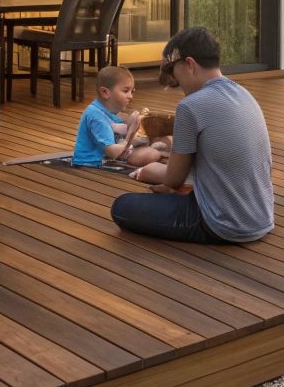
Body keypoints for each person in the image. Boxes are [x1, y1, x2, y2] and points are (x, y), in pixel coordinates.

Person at [110, 27, 274, 244]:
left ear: (189, 64)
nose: (177, 84)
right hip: (260, 217)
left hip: (221, 224)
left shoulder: (191, 106)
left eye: (175, 74)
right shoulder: (243, 94)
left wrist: (152, 172)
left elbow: (173, 178)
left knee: (122, 207)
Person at [71, 65, 167, 169]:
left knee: (166, 140)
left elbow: (117, 129)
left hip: (112, 153)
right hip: (92, 163)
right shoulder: (97, 117)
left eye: (132, 91)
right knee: (151, 154)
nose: (130, 96)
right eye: (125, 91)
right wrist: (130, 134)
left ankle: (158, 151)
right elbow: (112, 152)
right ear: (105, 92)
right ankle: (162, 154)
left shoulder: (107, 109)